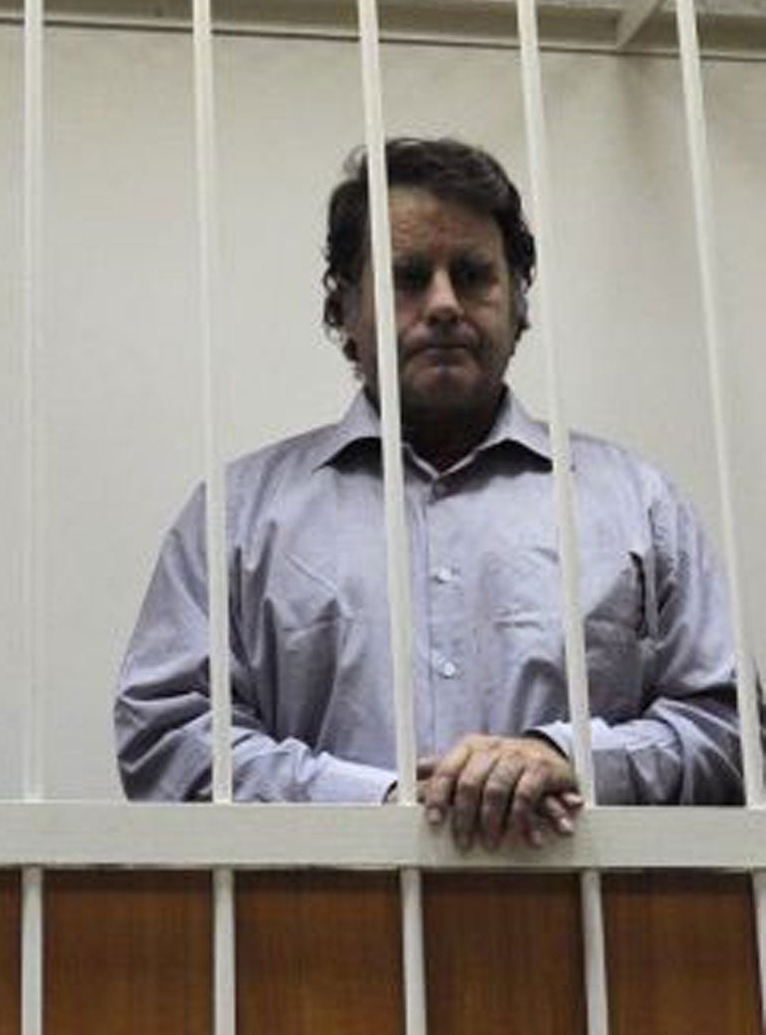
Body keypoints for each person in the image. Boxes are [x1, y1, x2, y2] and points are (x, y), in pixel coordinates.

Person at [115, 137, 741, 851]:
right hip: (313, 939)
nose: (443, 304)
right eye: (407, 277)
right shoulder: (238, 516)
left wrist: (570, 760)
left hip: (590, 941)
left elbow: (728, 729)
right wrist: (379, 808)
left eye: (473, 274)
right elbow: (165, 736)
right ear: (345, 311)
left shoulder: (635, 504)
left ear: (519, 301)